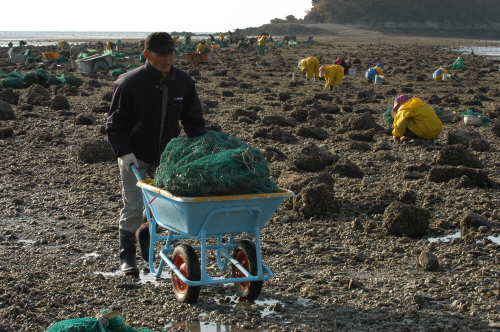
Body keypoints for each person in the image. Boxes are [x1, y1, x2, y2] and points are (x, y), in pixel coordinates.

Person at [105, 32, 207, 275]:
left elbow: (193, 121)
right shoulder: (129, 83)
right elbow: (114, 123)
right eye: (161, 54)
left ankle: (146, 236)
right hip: (135, 157)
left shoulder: (182, 81)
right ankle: (127, 255)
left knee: (160, 206)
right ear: (147, 55)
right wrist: (124, 152)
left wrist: (202, 149)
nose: (167, 58)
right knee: (133, 207)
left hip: (166, 158)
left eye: (171, 53)